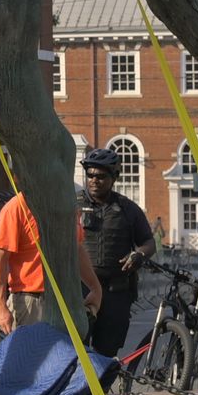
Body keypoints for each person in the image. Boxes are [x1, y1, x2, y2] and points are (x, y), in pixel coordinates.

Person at [75, 148, 155, 356]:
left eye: (101, 176)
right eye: (90, 175)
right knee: (76, 351)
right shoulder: (72, 205)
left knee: (106, 354)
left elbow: (148, 242)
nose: (94, 180)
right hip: (81, 290)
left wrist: (139, 255)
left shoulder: (128, 209)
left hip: (115, 293)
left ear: (114, 177)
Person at [0, 192, 103, 335]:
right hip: (31, 304)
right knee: (32, 350)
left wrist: (95, 287)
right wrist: (0, 308)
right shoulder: (17, 206)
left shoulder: (66, 204)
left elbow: (75, 248)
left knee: (66, 350)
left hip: (66, 301)